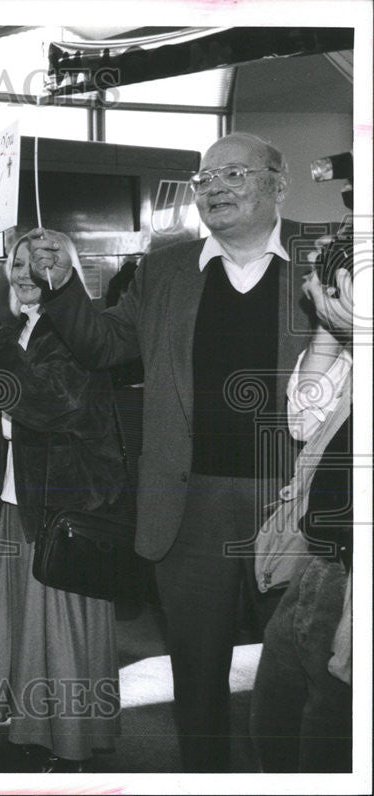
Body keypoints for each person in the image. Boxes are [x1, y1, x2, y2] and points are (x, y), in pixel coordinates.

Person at [25, 132, 318, 771]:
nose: (214, 188)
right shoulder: (167, 269)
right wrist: (63, 280)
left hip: (298, 502)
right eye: (204, 180)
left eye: (233, 174)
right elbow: (103, 346)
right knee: (198, 671)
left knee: (304, 667)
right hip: (189, 507)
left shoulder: (322, 257)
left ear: (277, 181)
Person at [0, 235, 125, 772]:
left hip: (66, 501)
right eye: (18, 262)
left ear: (67, 268)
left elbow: (45, 403)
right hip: (21, 497)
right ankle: (37, 728)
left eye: (41, 260)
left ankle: (72, 743)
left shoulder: (79, 330)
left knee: (64, 627)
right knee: (29, 625)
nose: (26, 270)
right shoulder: (20, 331)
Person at [250, 256, 353, 772]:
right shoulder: (351, 341)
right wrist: (333, 331)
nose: (316, 283)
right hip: (320, 560)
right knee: (275, 716)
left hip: (354, 576)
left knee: (328, 735)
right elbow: (302, 420)